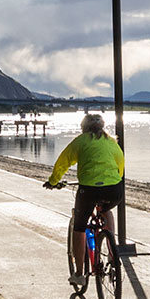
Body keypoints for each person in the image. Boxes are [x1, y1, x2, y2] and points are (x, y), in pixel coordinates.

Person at [43, 114, 124, 287]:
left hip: (89, 190)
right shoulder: (111, 142)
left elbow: (63, 163)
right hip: (114, 189)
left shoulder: (80, 141)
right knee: (106, 211)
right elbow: (120, 165)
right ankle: (112, 252)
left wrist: (53, 181)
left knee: (79, 228)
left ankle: (79, 274)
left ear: (83, 128)